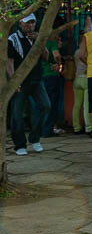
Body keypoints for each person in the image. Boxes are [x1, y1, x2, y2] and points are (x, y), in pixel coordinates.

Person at [7, 14, 51, 156]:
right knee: (17, 113)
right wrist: (14, 81)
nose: (30, 26)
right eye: (27, 23)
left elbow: (45, 57)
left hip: (37, 80)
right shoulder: (13, 39)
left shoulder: (37, 37)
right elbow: (9, 62)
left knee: (46, 106)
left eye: (32, 23)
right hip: (21, 81)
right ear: (20, 23)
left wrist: (40, 41)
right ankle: (19, 144)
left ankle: (35, 137)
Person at [40, 30, 64, 137]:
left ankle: (40, 129)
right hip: (52, 76)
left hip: (41, 76)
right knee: (52, 104)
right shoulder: (52, 44)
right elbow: (56, 55)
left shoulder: (39, 43)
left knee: (42, 104)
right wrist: (59, 65)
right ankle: (47, 130)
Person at [71, 51, 92, 135]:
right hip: (86, 79)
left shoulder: (76, 52)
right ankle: (89, 127)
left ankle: (76, 127)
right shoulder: (89, 52)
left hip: (77, 79)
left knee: (77, 105)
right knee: (86, 105)